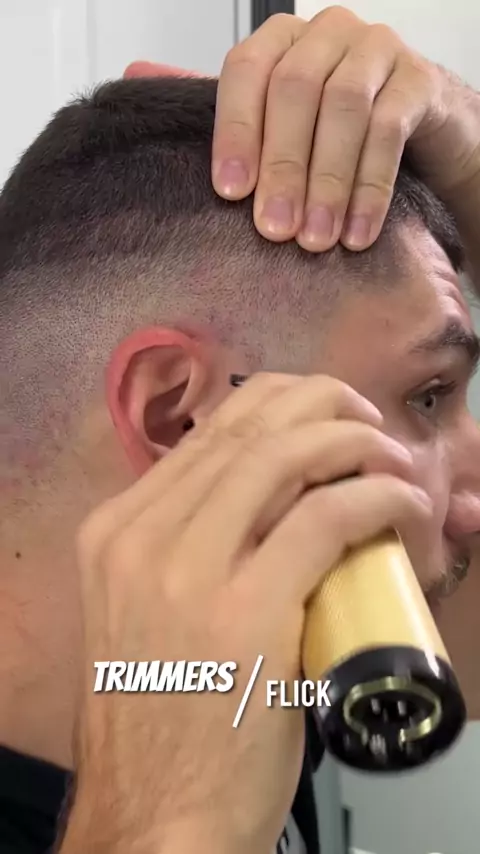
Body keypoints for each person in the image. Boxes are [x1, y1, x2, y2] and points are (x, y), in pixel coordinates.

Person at [1, 6, 480, 854]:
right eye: (430, 396)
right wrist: (167, 827)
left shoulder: (269, 657)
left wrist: (468, 151)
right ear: (178, 416)